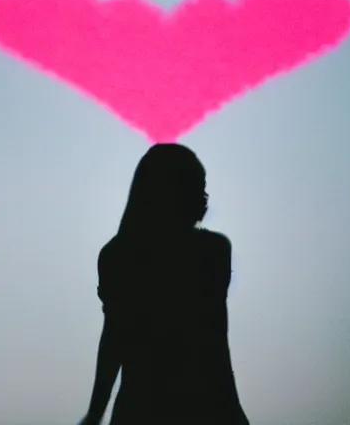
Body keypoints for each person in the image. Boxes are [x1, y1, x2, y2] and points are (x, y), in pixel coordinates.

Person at [78, 143, 249, 424]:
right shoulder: (213, 251)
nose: (204, 197)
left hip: (140, 409)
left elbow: (113, 341)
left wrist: (95, 413)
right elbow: (215, 344)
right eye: (197, 187)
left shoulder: (117, 256)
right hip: (206, 407)